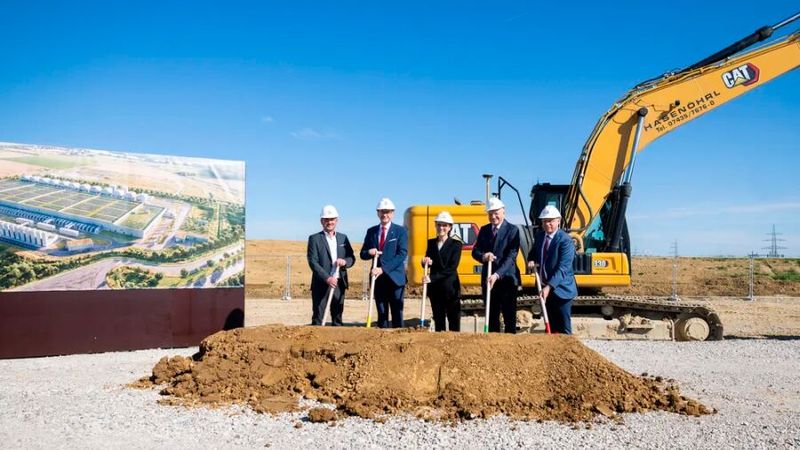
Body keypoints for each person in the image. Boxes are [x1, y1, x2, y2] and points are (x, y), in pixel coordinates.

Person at [471, 197, 520, 333]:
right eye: (490, 213)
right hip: (488, 280)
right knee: (492, 317)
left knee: (509, 317)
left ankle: (510, 344)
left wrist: (497, 275)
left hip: (507, 280)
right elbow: (475, 251)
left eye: (496, 213)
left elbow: (511, 257)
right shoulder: (484, 230)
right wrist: (483, 256)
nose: (493, 217)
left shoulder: (512, 230)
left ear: (503, 212)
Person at [527, 205, 577, 334]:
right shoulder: (540, 236)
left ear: (558, 221)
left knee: (564, 329)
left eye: (550, 221)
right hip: (544, 287)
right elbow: (533, 253)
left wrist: (549, 287)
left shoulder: (565, 240)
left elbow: (563, 268)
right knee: (551, 327)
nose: (547, 224)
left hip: (561, 290)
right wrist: (531, 260)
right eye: (544, 221)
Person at [360, 198, 408, 328]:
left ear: (392, 213)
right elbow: (363, 254)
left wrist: (383, 269)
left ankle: (398, 339)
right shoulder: (371, 232)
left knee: (397, 314)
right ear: (378, 213)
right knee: (382, 315)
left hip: (395, 279)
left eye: (387, 212)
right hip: (378, 280)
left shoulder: (400, 231)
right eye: (382, 211)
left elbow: (402, 254)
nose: (384, 214)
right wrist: (369, 252)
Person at [306, 205, 355, 326]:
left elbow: (351, 257)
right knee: (318, 317)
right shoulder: (314, 239)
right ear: (321, 221)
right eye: (326, 219)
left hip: (339, 283)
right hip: (321, 284)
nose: (329, 222)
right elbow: (313, 261)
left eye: (332, 219)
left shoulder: (343, 238)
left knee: (337, 317)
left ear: (337, 220)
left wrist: (345, 262)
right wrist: (327, 278)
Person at [421, 211, 462, 332]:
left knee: (454, 321)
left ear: (450, 227)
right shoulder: (431, 243)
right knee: (439, 321)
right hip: (435, 289)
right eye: (439, 225)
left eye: (444, 225)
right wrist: (424, 262)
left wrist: (431, 278)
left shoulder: (456, 244)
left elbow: (451, 267)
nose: (441, 228)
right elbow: (428, 262)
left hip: (450, 288)